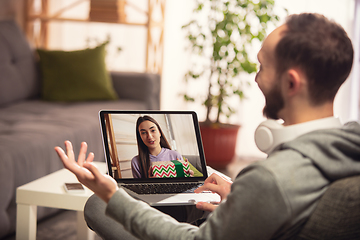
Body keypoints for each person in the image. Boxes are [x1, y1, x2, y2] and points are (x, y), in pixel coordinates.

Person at [55, 13, 360, 240]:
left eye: (263, 67)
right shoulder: (348, 148)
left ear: (291, 82)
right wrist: (240, 197)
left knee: (97, 206)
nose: (256, 78)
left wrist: (111, 194)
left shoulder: (271, 179)